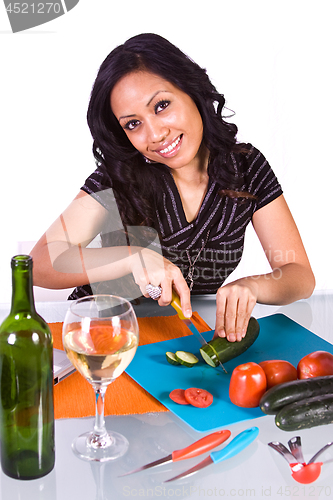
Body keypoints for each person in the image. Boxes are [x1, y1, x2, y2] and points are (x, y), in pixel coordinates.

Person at [30, 33, 315, 342]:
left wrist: (253, 286)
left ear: (192, 91)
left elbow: (299, 273)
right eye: (133, 124)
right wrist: (132, 256)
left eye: (162, 105)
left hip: (185, 336)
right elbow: (40, 263)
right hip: (104, 338)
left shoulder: (245, 168)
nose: (155, 134)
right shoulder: (118, 179)